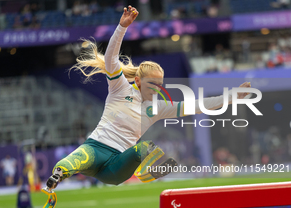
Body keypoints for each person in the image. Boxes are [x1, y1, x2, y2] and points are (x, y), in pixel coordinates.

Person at [46, 5, 251, 188]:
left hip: (116, 166)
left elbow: (198, 105)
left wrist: (232, 97)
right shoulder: (120, 88)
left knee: (145, 147)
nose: (157, 88)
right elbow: (110, 58)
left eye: (160, 84)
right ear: (138, 82)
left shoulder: (159, 107)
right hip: (95, 149)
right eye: (152, 83)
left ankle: (150, 175)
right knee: (78, 158)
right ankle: (55, 178)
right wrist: (122, 27)